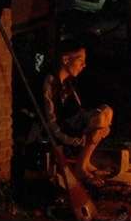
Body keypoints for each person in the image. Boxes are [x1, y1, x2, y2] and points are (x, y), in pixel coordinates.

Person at [42, 40, 113, 184]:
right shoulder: (50, 82)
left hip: (74, 123)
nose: (84, 65)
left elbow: (78, 110)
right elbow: (51, 119)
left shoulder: (68, 83)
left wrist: (102, 124)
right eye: (80, 60)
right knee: (99, 120)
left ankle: (85, 163)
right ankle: (80, 168)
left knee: (106, 111)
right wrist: (73, 138)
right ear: (66, 59)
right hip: (62, 128)